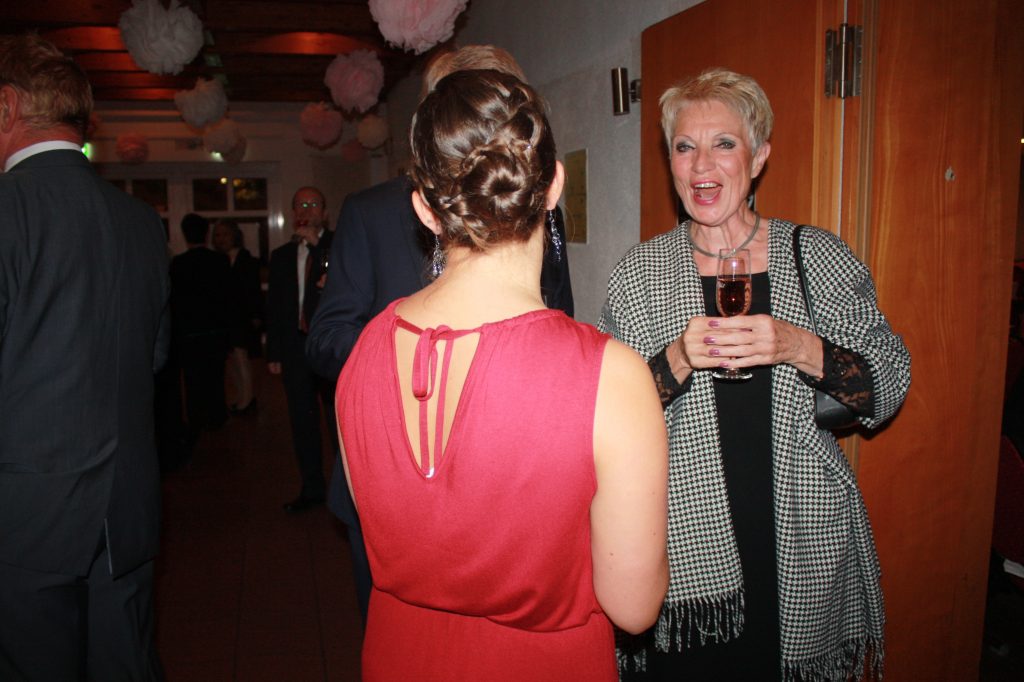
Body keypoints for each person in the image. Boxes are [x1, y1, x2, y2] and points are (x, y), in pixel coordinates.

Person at [335, 69, 669, 681]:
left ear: (424, 208)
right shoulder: (610, 376)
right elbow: (634, 607)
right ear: (554, 184)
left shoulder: (363, 351)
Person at [599, 67, 912, 681]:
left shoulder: (816, 255)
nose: (701, 165)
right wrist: (677, 358)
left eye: (724, 143)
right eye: (684, 147)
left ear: (759, 156)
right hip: (683, 541)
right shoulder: (639, 273)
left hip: (798, 526)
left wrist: (797, 344)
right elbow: (604, 416)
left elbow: (886, 381)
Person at [305, 43, 573, 624]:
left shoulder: (535, 210)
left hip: (512, 475)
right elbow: (325, 337)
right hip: (392, 482)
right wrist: (407, 359)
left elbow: (558, 318)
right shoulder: (371, 211)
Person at [0, 33, 168, 680]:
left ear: (8, 105)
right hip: (125, 506)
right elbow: (154, 355)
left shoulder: (8, 209)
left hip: (26, 516)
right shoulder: (139, 222)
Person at [266, 186, 336, 512]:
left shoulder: (338, 246)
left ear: (325, 212)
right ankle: (312, 488)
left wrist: (317, 246)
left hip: (329, 347)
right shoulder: (281, 256)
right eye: (300, 205)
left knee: (336, 420)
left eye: (313, 204)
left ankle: (346, 491)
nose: (306, 210)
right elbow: (275, 307)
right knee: (302, 420)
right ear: (293, 213)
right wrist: (274, 352)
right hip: (295, 348)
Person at [170, 213, 231, 442]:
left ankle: (197, 418)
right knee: (215, 376)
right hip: (215, 330)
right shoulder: (220, 261)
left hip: (190, 332)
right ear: (206, 234)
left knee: (193, 379)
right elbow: (226, 297)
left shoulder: (178, 263)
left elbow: (175, 300)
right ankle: (216, 416)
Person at [213, 218, 262, 415]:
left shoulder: (247, 260)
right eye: (218, 235)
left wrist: (256, 315)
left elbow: (253, 292)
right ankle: (241, 397)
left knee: (242, 358)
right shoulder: (217, 261)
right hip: (225, 318)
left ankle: (247, 400)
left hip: (242, 317)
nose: (221, 239)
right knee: (232, 360)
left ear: (234, 235)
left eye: (225, 234)